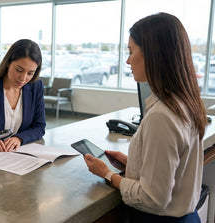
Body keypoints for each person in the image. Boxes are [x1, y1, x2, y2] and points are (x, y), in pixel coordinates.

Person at [83, 12, 207, 223]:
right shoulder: (185, 102)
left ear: (153, 54)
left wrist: (108, 174)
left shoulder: (162, 116)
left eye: (131, 51)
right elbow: (171, 170)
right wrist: (133, 164)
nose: (128, 60)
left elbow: (153, 198)